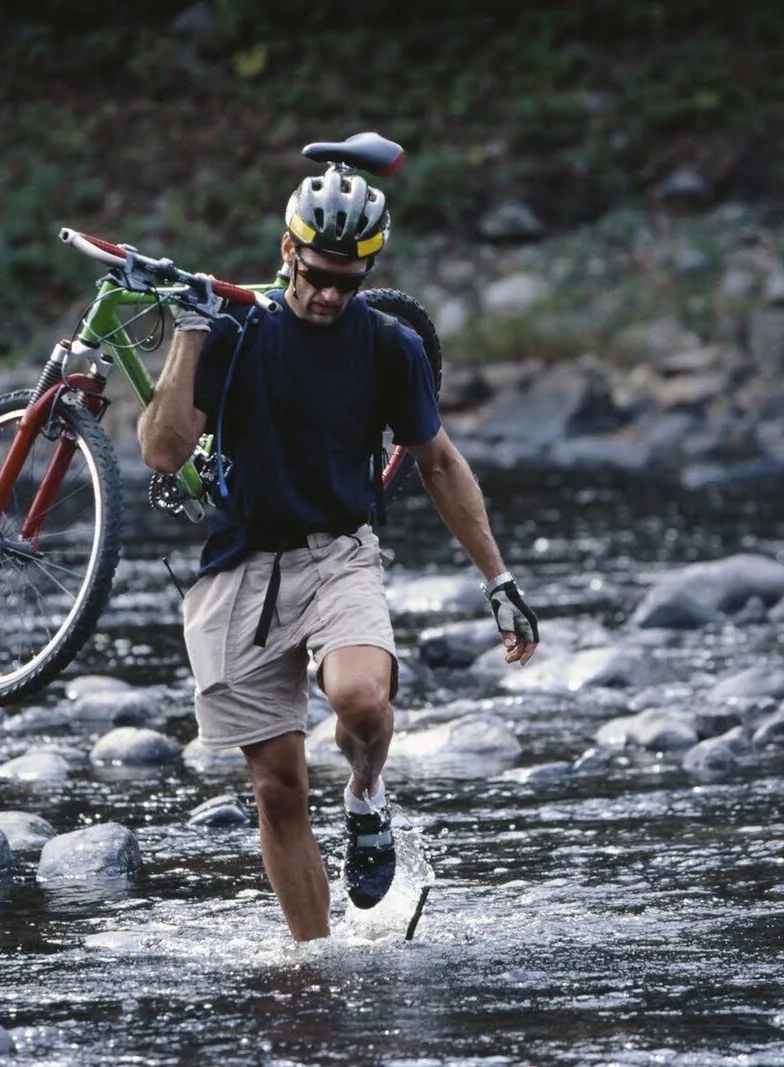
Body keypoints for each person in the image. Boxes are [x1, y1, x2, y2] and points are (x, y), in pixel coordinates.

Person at [137, 164, 539, 941]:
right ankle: (317, 963)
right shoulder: (232, 333)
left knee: (360, 698)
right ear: (289, 250)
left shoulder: (388, 348)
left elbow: (440, 462)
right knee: (278, 788)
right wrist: (187, 332)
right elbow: (160, 451)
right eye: (318, 275)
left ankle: (365, 794)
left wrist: (500, 579)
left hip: (339, 555)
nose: (329, 295)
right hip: (239, 568)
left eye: (348, 282)